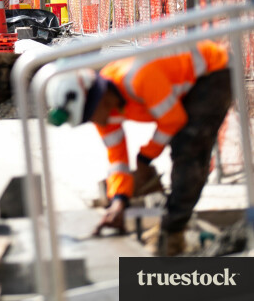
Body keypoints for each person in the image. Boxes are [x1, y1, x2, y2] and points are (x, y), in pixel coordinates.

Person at [46, 40, 231, 256]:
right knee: (182, 147)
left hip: (214, 70)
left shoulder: (139, 77)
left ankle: (172, 236)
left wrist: (144, 159)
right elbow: (117, 159)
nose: (94, 121)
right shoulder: (106, 112)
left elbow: (172, 120)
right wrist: (118, 201)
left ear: (98, 100)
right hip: (188, 81)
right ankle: (174, 223)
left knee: (188, 148)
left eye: (90, 115)